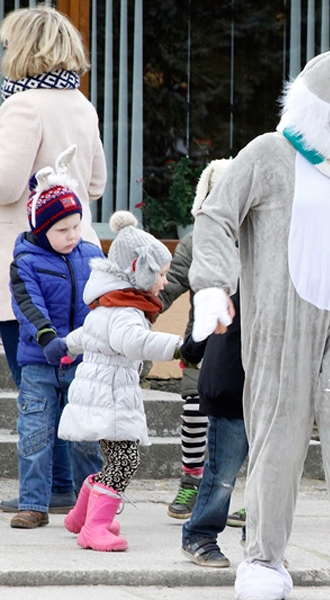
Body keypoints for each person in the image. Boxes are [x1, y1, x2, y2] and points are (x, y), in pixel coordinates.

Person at [187, 3, 330, 597]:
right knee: (276, 445)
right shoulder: (269, 153)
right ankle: (264, 561)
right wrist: (210, 283)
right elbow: (216, 216)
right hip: (281, 325)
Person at [0, 5, 106, 514]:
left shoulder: (22, 105)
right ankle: (67, 490)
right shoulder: (81, 104)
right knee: (72, 386)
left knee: (39, 391)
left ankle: (50, 493)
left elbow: (4, 183)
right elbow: (96, 185)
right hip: (79, 259)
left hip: (29, 261)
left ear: (23, 48)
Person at [57, 211, 182, 552]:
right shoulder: (125, 311)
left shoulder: (107, 306)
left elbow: (85, 334)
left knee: (114, 460)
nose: (164, 282)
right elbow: (135, 342)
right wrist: (179, 346)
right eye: (160, 274)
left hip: (101, 396)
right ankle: (94, 527)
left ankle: (82, 515)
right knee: (126, 461)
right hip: (110, 400)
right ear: (137, 269)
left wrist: (66, 346)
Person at [5, 148, 105, 529]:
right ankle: (34, 503)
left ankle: (89, 506)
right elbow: (27, 305)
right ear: (41, 229)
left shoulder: (91, 254)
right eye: (63, 230)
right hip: (40, 361)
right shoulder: (26, 261)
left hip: (83, 361)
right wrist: (47, 337)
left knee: (86, 437)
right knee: (35, 434)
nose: (72, 235)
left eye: (77, 226)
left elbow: (105, 301)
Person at [158, 158, 232, 521]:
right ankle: (191, 480)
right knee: (194, 413)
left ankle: (243, 490)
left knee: (245, 422)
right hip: (200, 347)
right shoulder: (193, 242)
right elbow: (170, 284)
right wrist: (137, 310)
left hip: (248, 349)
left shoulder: (256, 237)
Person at [180, 289, 247, 568]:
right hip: (230, 387)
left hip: (274, 392)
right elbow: (194, 345)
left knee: (272, 474)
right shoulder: (231, 279)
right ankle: (199, 535)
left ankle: (261, 538)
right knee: (223, 475)